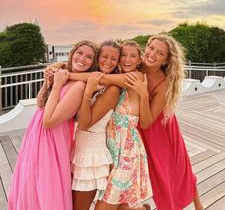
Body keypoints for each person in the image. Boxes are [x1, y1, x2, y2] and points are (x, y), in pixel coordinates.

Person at [69, 35, 203, 210]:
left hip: (157, 128)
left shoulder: (158, 84)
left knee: (174, 168)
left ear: (166, 60)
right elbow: (108, 71)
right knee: (120, 199)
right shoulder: (136, 65)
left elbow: (103, 80)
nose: (153, 54)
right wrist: (62, 67)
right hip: (122, 137)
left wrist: (67, 74)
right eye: (151, 48)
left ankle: (198, 205)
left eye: (160, 53)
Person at [8, 40, 98, 210]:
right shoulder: (63, 75)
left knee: (46, 184)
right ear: (72, 53)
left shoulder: (79, 86)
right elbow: (41, 104)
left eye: (89, 57)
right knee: (30, 181)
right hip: (35, 134)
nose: (82, 58)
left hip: (52, 139)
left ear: (93, 63)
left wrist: (57, 85)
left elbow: (49, 122)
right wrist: (47, 82)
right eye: (79, 53)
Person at [94, 41, 153, 210]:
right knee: (119, 202)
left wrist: (143, 95)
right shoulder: (119, 79)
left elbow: (146, 122)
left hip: (127, 151)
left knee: (106, 204)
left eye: (132, 55)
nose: (127, 59)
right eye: (124, 55)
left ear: (139, 60)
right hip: (112, 148)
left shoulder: (135, 78)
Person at [71, 40, 121, 210]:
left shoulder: (112, 89)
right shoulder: (95, 78)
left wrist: (87, 92)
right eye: (104, 56)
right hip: (77, 149)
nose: (108, 61)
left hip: (91, 155)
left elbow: (85, 124)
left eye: (113, 59)